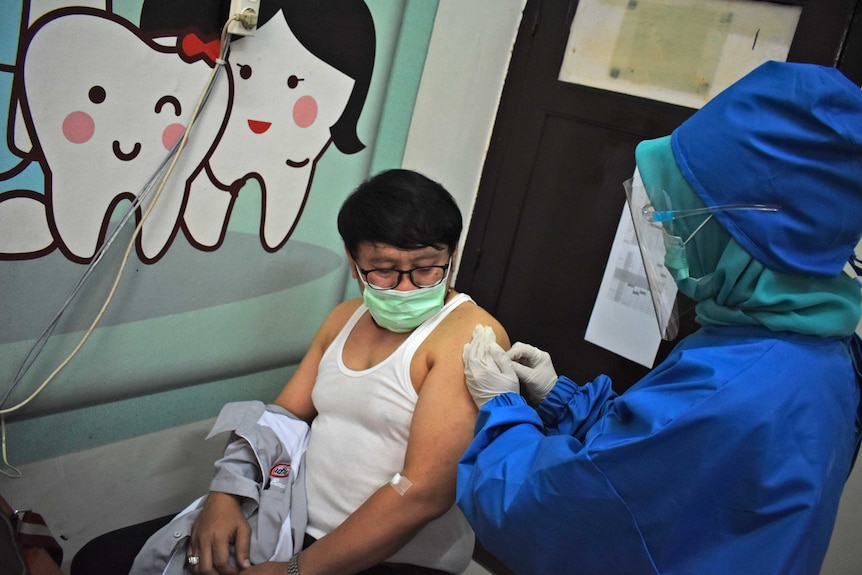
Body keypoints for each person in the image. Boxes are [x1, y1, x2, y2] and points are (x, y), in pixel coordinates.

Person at [456, 60, 862, 575]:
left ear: (753, 233)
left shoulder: (736, 386)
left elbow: (542, 509)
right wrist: (564, 398)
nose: (667, 235)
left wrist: (503, 409)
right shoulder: (814, 346)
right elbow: (657, 464)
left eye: (684, 217)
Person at [72, 168, 508, 575]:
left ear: (451, 255)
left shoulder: (469, 336)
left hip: (400, 555)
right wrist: (226, 493)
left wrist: (295, 570)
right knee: (100, 559)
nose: (407, 286)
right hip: (293, 519)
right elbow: (283, 415)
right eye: (386, 270)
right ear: (354, 261)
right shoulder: (346, 317)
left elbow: (422, 494)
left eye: (427, 267)